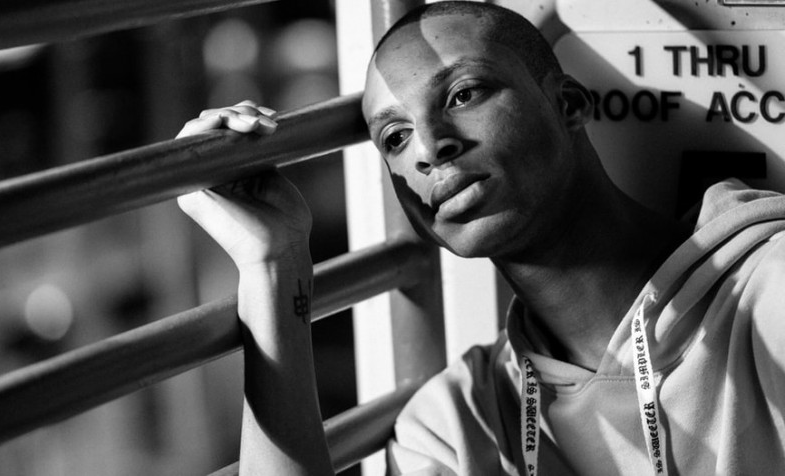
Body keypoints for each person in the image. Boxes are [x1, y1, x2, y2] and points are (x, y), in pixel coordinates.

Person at [177, 2, 785, 475]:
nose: (428, 146)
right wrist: (274, 263)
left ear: (568, 103)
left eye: (463, 94)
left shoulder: (768, 292)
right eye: (393, 138)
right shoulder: (458, 420)